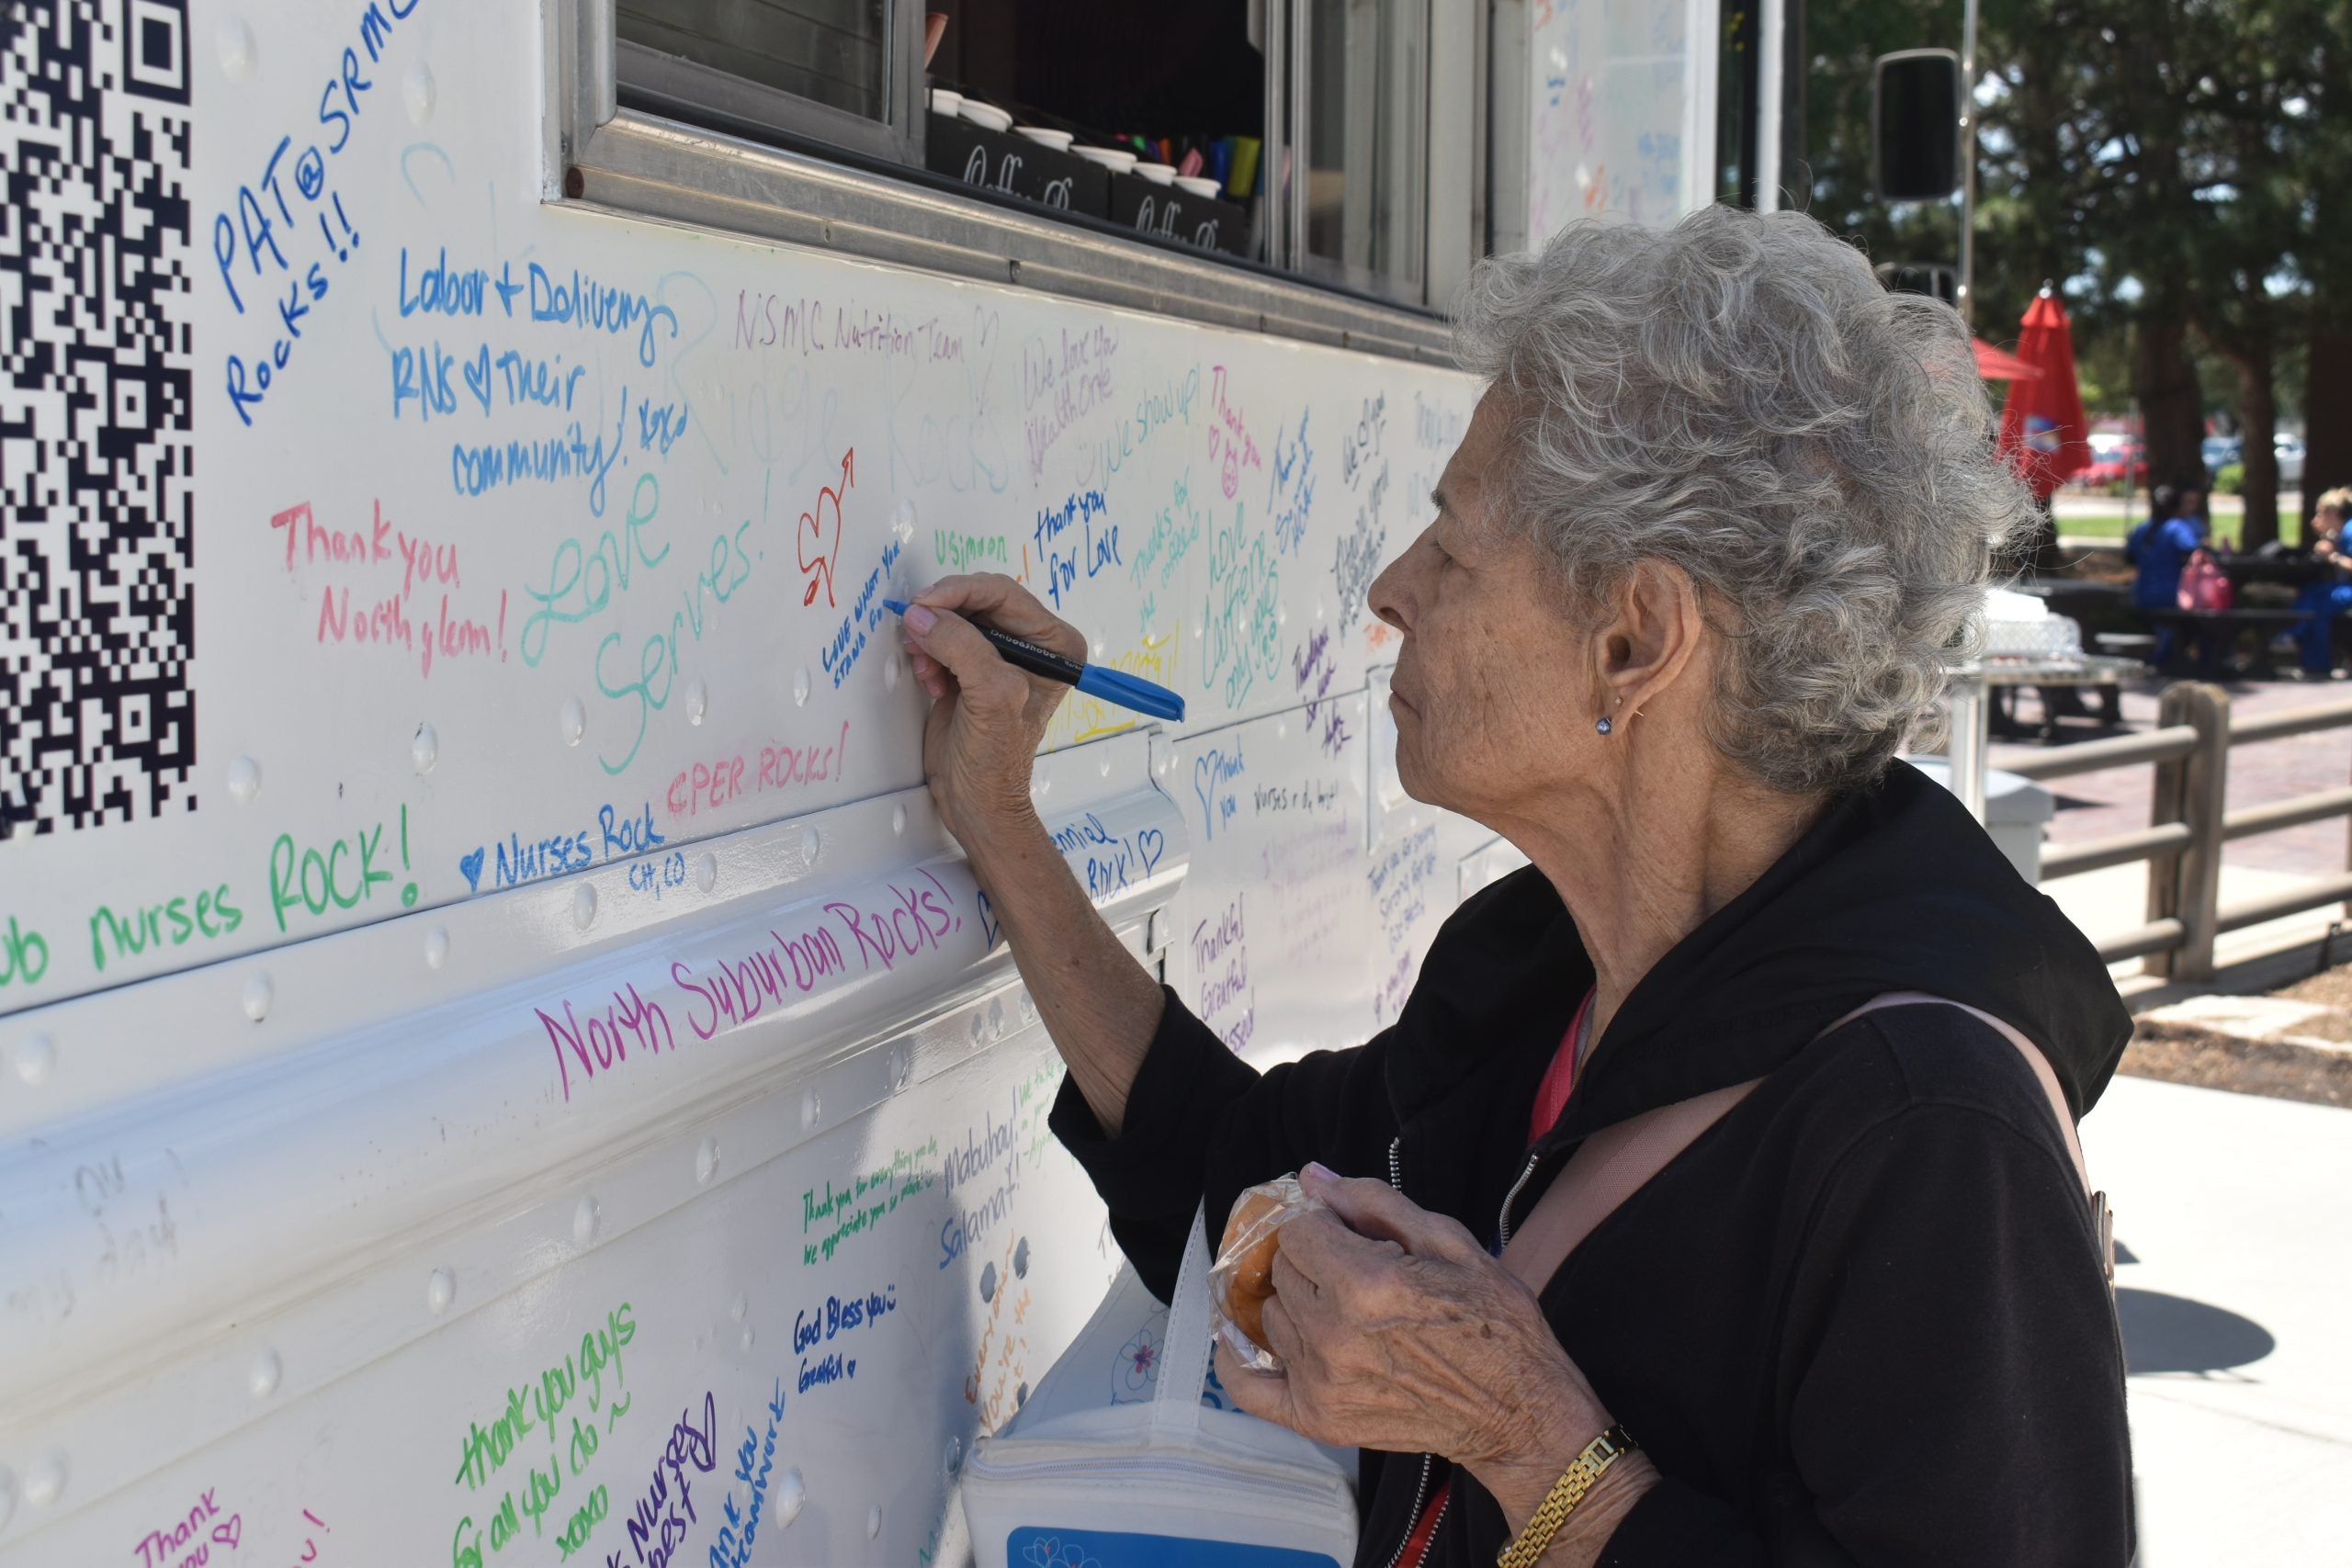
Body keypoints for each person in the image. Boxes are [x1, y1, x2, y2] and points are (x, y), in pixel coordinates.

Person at [898, 206, 2132, 1567]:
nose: (1392, 588)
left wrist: (1537, 1447)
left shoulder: (1931, 1127)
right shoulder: (1553, 969)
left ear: (1634, 638)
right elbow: (1232, 1175)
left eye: (1453, 544)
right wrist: (999, 818)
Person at [2128, 481, 2205, 667]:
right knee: (2198, 622)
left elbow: (2129, 556)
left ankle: (2166, 658)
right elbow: (2193, 554)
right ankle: (2168, 661)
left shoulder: (2143, 528)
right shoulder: (2177, 527)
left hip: (2141, 594)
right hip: (2172, 595)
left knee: (2168, 627)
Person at [2293, 488, 2352, 676]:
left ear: (2333, 513)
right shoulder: (2342, 532)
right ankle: (2311, 658)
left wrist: (2333, 556)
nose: (2315, 519)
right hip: (2343, 588)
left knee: (2317, 605)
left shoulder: (2350, 531)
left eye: (2320, 513)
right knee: (2312, 595)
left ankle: (2313, 658)